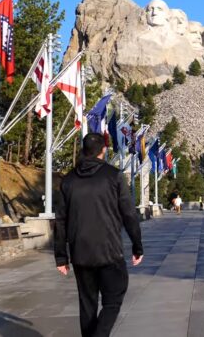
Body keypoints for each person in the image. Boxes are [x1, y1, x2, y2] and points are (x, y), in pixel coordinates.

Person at [55, 133, 143, 337]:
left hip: (80, 253)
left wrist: (61, 256)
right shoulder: (113, 176)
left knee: (87, 305)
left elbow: (60, 220)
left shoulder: (68, 180)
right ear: (104, 150)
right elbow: (129, 213)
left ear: (84, 150)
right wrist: (137, 246)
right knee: (113, 300)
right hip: (109, 251)